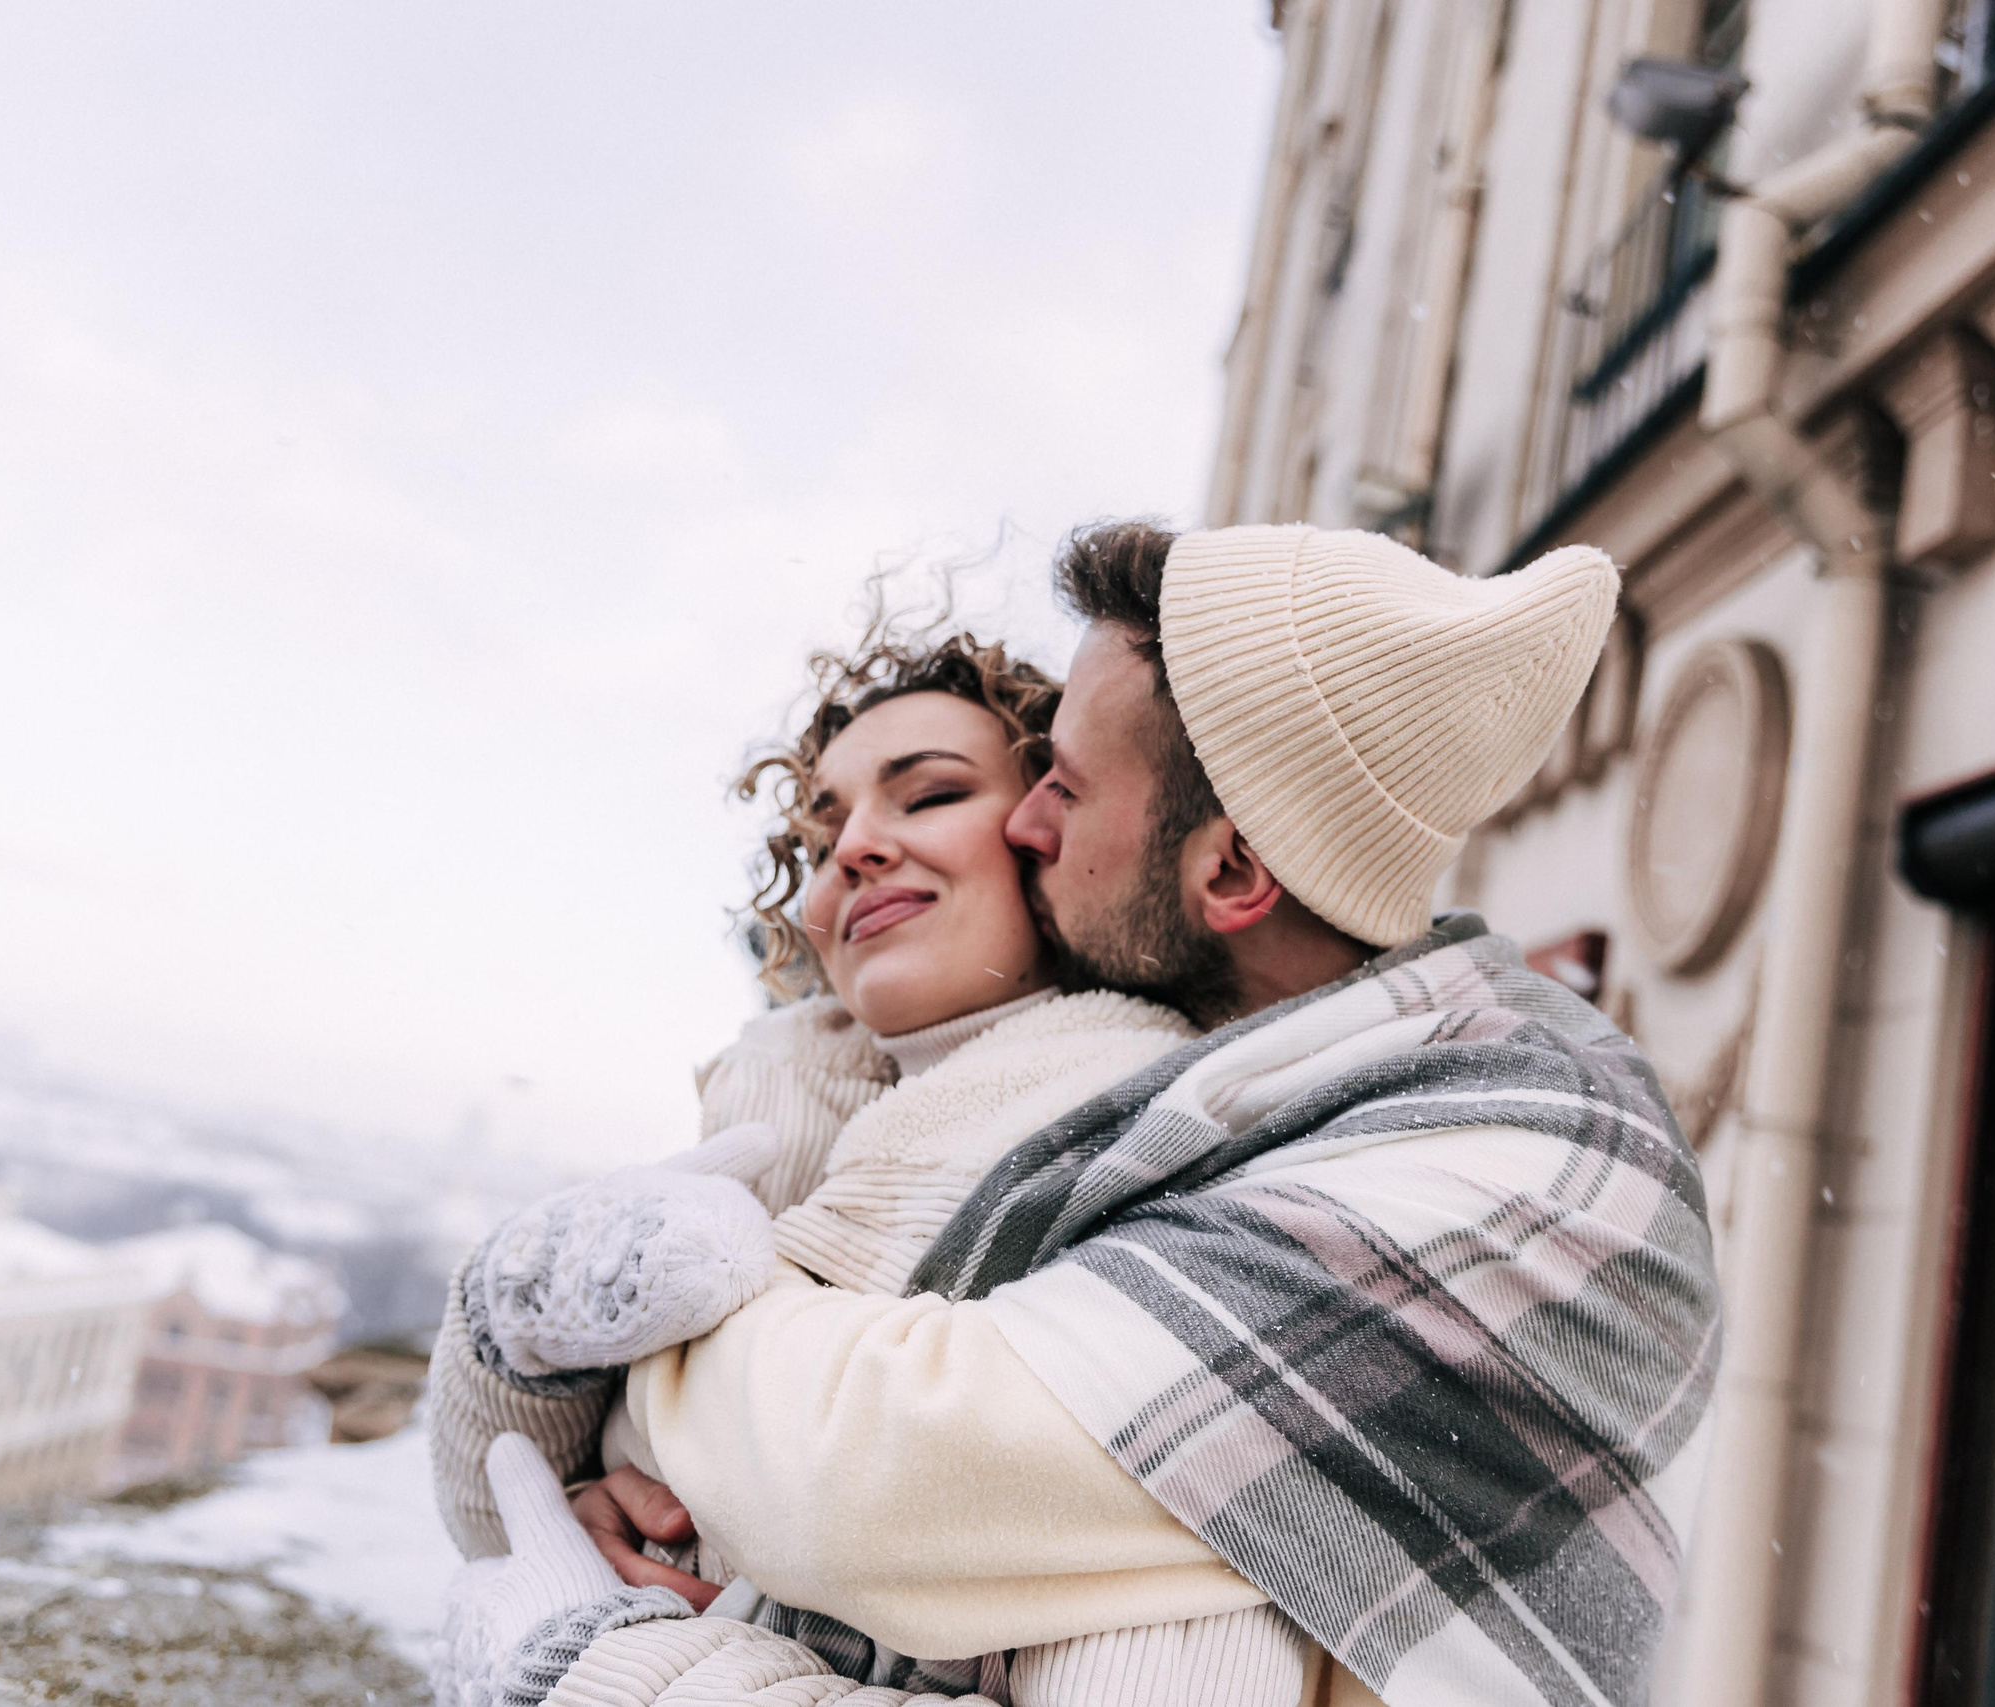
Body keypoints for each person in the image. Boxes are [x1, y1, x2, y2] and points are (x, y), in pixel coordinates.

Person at [431, 522, 1723, 1707]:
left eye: (1057, 780)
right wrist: (547, 1380)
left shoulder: (1494, 1153)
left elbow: (867, 1465)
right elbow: (619, 1498)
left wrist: (614, 1644)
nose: (1034, 821)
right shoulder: (1180, 1116)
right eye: (824, 824)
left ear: (1226, 868)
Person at [430, 621, 1310, 1705]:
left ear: (1057, 831)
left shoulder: (1156, 1171)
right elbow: (496, 1536)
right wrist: (515, 1329)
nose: (852, 848)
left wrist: (614, 1672)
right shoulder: (768, 1130)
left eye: (929, 794)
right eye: (819, 831)